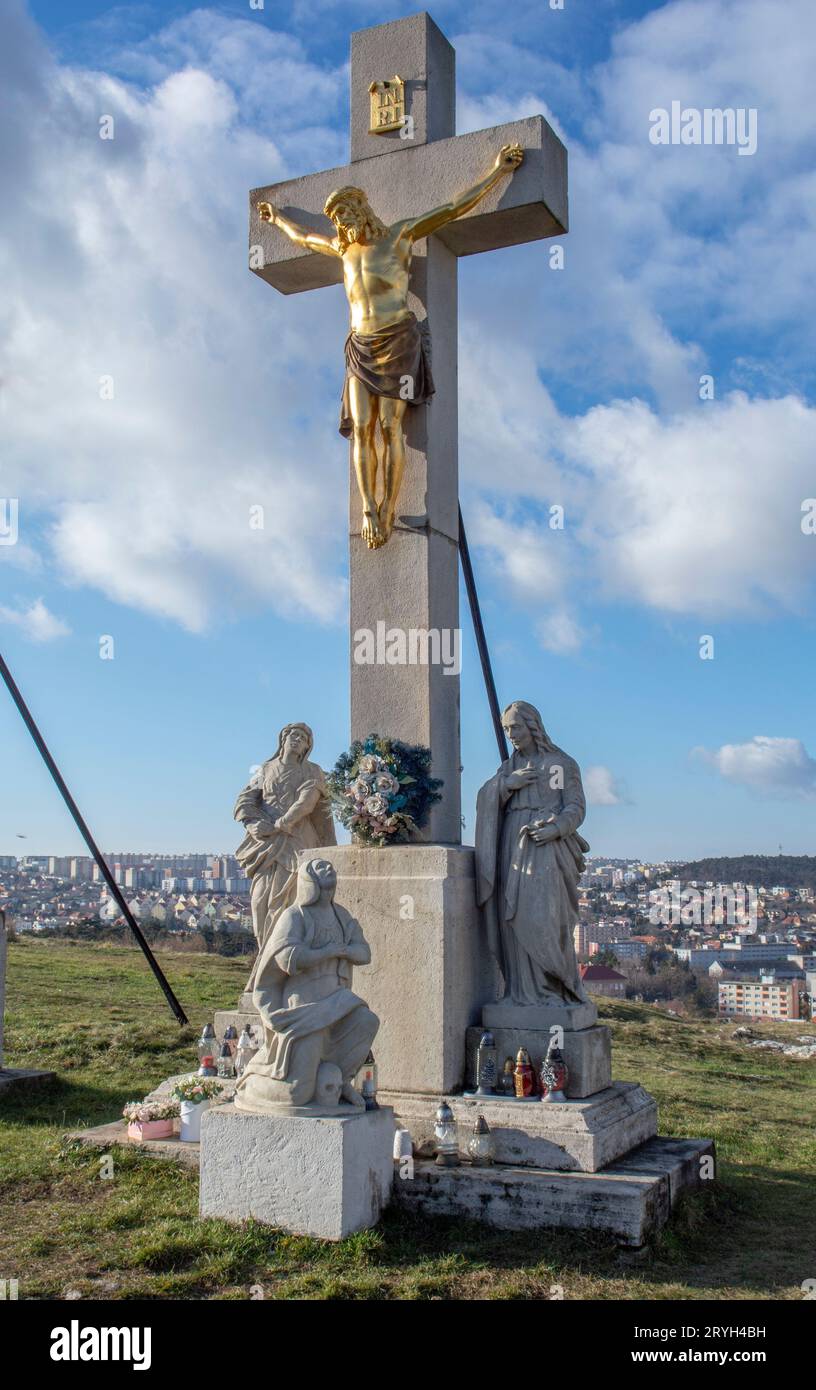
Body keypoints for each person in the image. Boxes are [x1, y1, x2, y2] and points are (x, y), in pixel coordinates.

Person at [258, 142, 524, 549]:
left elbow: (451, 209)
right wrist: (276, 219)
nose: (341, 221)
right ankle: (369, 508)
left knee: (389, 425)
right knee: (362, 430)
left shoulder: (399, 236)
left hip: (397, 339)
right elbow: (304, 238)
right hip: (360, 345)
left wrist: (497, 172)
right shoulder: (342, 250)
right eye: (336, 217)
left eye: (346, 211)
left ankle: (388, 508)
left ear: (362, 209)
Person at [234, 858, 378, 1112]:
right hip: (304, 1007)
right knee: (296, 1094)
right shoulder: (295, 916)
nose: (328, 869)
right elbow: (288, 958)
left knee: (366, 1021)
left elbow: (364, 953)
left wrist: (342, 950)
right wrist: (329, 951)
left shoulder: (341, 916)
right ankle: (251, 1081)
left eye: (330, 867)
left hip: (339, 1002)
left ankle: (338, 1080)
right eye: (320, 868)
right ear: (309, 880)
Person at [474, 700, 591, 1007]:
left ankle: (554, 988)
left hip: (546, 848)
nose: (511, 734)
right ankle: (520, 992)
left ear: (533, 726)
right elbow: (486, 796)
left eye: (516, 727)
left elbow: (575, 807)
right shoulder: (510, 767)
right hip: (512, 843)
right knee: (511, 919)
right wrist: (505, 785)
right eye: (506, 729)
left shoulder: (557, 765)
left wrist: (556, 828)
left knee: (542, 917)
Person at [234, 723, 335, 993]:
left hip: (296, 844)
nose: (296, 739)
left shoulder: (313, 772)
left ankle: (274, 975)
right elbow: (245, 801)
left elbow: (307, 802)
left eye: (302, 738)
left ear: (307, 747)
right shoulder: (264, 770)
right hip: (264, 848)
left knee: (286, 909)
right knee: (260, 905)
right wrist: (253, 824)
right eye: (292, 735)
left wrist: (280, 824)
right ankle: (266, 962)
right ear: (282, 739)